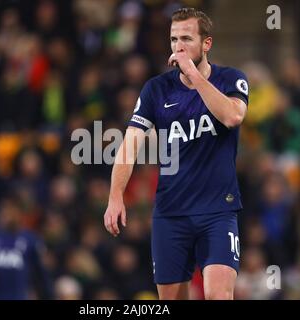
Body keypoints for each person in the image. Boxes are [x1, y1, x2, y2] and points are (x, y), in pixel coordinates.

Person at [104, 8, 249, 300]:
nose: (178, 46)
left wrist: (193, 75)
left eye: (186, 38)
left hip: (217, 210)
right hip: (171, 212)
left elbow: (233, 117)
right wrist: (115, 195)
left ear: (206, 44)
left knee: (217, 295)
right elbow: (130, 144)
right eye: (173, 39)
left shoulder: (231, 79)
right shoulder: (156, 89)